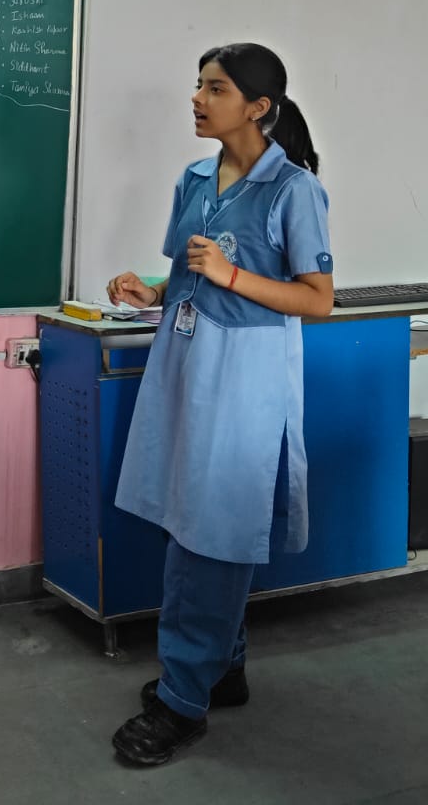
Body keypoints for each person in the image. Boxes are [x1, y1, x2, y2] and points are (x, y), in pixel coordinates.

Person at [103, 42, 333, 767]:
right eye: (198, 86)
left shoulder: (293, 189)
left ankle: (182, 702)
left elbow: (317, 300)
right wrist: (150, 291)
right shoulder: (196, 178)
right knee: (187, 518)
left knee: (214, 532)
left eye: (216, 88)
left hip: (242, 377)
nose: (198, 100)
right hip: (183, 365)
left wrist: (232, 276)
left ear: (258, 106)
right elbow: (187, 274)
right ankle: (221, 665)